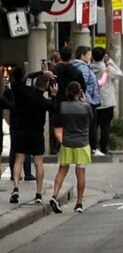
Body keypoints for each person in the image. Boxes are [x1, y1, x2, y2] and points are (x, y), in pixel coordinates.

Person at [9, 68, 55, 204]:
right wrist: (54, 95)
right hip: (36, 133)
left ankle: (16, 187)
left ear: (35, 84)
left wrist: (42, 72)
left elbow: (28, 76)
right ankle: (39, 193)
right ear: (46, 87)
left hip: (22, 130)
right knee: (38, 162)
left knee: (19, 159)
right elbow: (54, 107)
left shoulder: (25, 92)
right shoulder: (44, 101)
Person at [50, 81, 93, 213]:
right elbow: (90, 121)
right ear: (79, 93)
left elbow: (57, 122)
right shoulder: (86, 107)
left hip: (67, 142)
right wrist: (85, 102)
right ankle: (79, 203)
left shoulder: (63, 106)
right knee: (80, 173)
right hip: (82, 144)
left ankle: (54, 195)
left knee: (62, 170)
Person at [90, 48, 123, 155]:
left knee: (93, 126)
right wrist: (110, 62)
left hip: (94, 101)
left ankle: (93, 148)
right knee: (105, 127)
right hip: (107, 102)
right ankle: (103, 148)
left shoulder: (89, 68)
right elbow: (120, 74)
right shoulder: (106, 68)